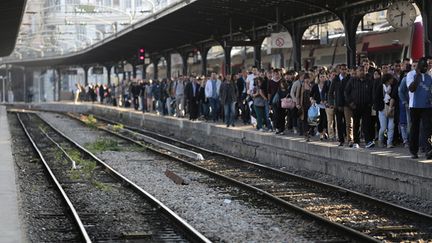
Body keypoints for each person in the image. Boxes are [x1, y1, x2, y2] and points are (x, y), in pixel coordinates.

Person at [406, 57, 432, 159]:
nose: (425, 68)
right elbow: (411, 89)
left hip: (427, 106)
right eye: (423, 67)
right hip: (415, 106)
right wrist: (417, 75)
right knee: (414, 129)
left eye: (427, 66)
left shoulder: (429, 76)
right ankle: (413, 151)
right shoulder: (410, 75)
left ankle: (428, 150)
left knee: (428, 129)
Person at [345, 66, 374, 149]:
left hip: (366, 106)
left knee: (367, 124)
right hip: (356, 106)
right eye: (360, 70)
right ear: (356, 71)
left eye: (363, 70)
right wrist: (351, 103)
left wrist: (370, 103)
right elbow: (346, 92)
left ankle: (368, 141)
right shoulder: (352, 81)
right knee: (356, 124)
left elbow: (372, 92)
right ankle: (356, 142)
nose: (361, 72)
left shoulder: (368, 81)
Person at [374, 73, 398, 148]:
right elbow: (376, 98)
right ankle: (380, 140)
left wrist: (392, 106)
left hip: (391, 108)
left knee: (391, 126)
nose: (392, 80)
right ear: (387, 80)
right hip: (382, 109)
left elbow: (395, 96)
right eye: (391, 79)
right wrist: (381, 108)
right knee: (383, 127)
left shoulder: (393, 86)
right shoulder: (380, 87)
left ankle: (389, 143)